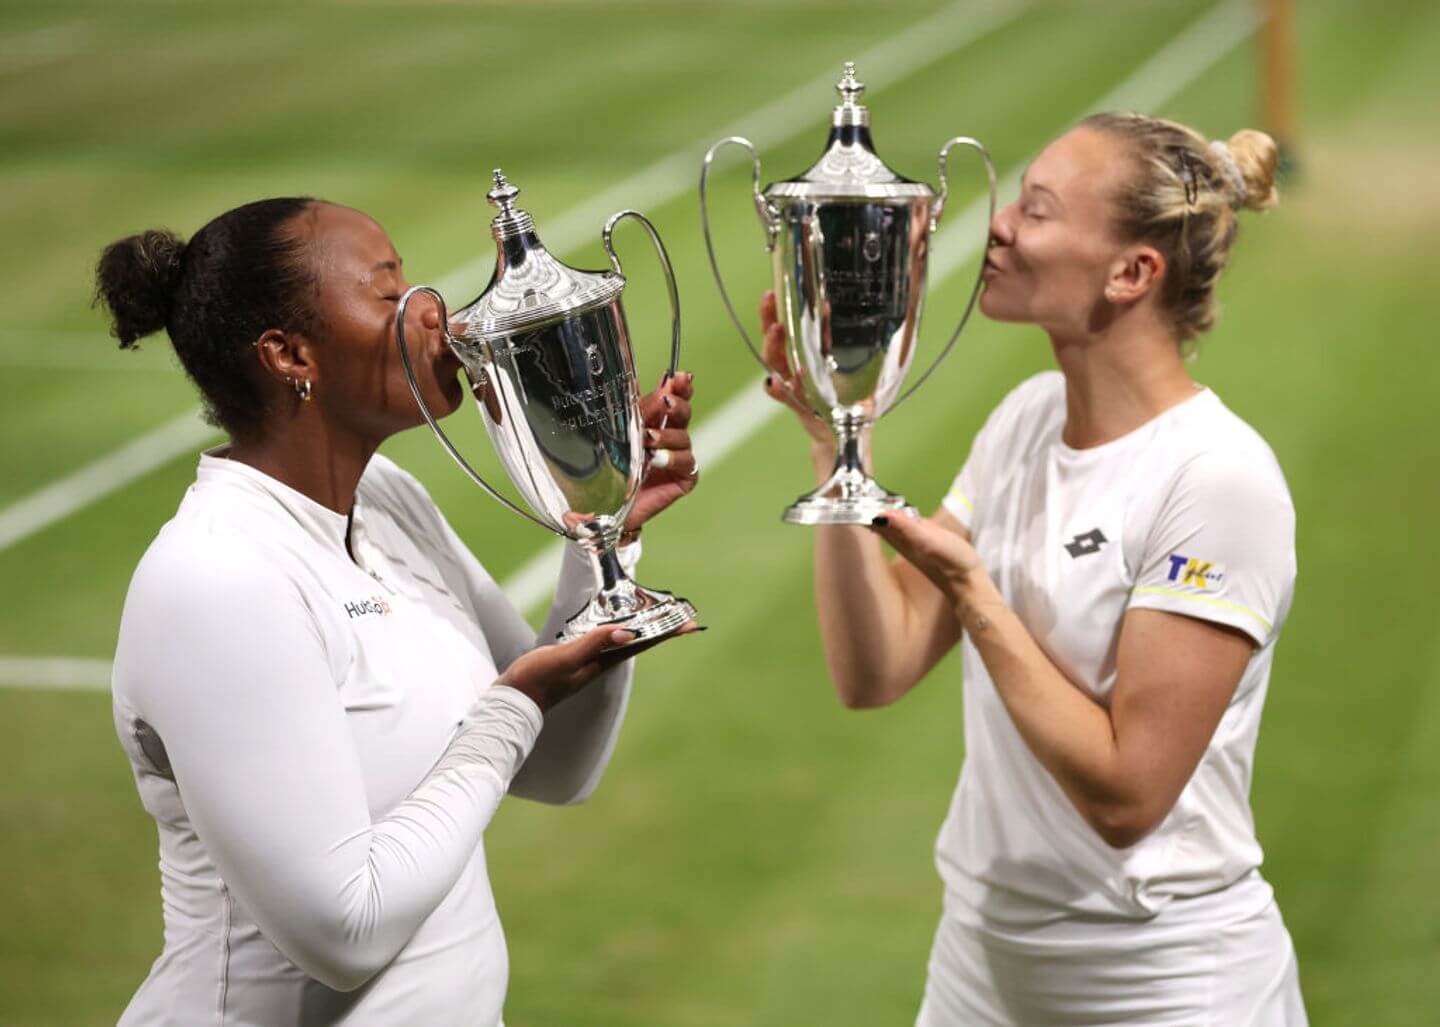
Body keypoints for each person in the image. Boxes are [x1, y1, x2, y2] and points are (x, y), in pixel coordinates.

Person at [94, 197, 698, 1025]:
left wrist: (606, 532)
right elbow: (345, 930)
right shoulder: (217, 577)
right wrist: (513, 702)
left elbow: (556, 766)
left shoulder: (387, 501)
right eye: (387, 292)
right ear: (290, 354)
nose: (432, 310)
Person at [759, 112, 1307, 1024]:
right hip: (980, 970)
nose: (1001, 225)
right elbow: (876, 666)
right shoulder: (1027, 417)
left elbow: (1130, 793)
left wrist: (975, 592)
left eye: (1039, 211)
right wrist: (834, 447)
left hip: (1162, 987)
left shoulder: (1217, 479)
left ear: (1132, 272)